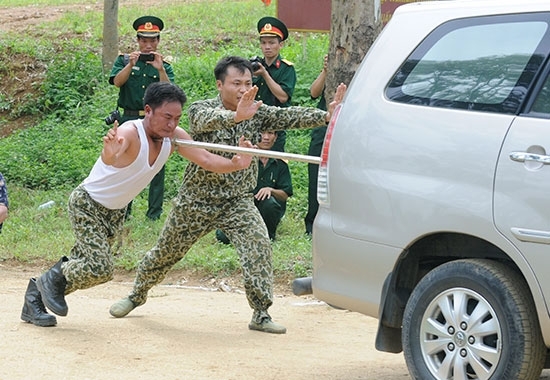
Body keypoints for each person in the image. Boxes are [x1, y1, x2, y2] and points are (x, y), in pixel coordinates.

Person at [109, 56, 346, 335]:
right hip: (197, 199)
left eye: (248, 82)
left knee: (258, 246)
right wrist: (236, 116)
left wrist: (325, 116)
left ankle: (260, 313)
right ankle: (136, 295)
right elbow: (206, 121)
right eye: (236, 83)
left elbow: (287, 115)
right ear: (220, 85)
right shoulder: (200, 110)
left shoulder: (257, 111)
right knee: (165, 253)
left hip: (238, 200)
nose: (244, 88)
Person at [21, 82, 253, 327]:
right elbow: (111, 156)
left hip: (114, 211)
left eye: (177, 118)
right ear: (148, 110)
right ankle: (49, 280)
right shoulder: (130, 132)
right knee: (100, 268)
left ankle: (34, 297)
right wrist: (109, 152)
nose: (172, 124)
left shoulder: (172, 137)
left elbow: (206, 158)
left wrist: (236, 164)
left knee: (84, 266)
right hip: (87, 204)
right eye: (166, 117)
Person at [109, 15, 174, 221]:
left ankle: (153, 214)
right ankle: (123, 209)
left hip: (154, 121)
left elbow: (169, 91)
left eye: (152, 40)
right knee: (125, 162)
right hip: (129, 118)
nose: (148, 45)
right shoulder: (124, 60)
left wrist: (160, 69)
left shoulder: (163, 64)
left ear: (158, 41)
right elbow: (117, 83)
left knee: (157, 164)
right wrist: (130, 65)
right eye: (144, 40)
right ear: (137, 40)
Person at [216, 130, 292, 243]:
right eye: (262, 133)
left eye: (270, 133)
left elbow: (285, 194)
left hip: (265, 209)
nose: (266, 137)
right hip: (244, 206)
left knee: (270, 203)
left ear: (275, 137)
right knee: (223, 238)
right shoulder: (243, 159)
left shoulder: (280, 164)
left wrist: (271, 190)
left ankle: (268, 236)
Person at [252, 16, 296, 152]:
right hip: (254, 124)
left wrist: (265, 74)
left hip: (275, 127)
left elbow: (283, 97)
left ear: (280, 45)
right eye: (264, 43)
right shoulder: (254, 66)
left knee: (274, 164)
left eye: (271, 43)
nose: (267, 47)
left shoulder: (286, 69)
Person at [304, 54, 328, 235]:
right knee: (315, 171)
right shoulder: (331, 69)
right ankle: (312, 222)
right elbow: (314, 92)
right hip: (323, 126)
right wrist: (326, 70)